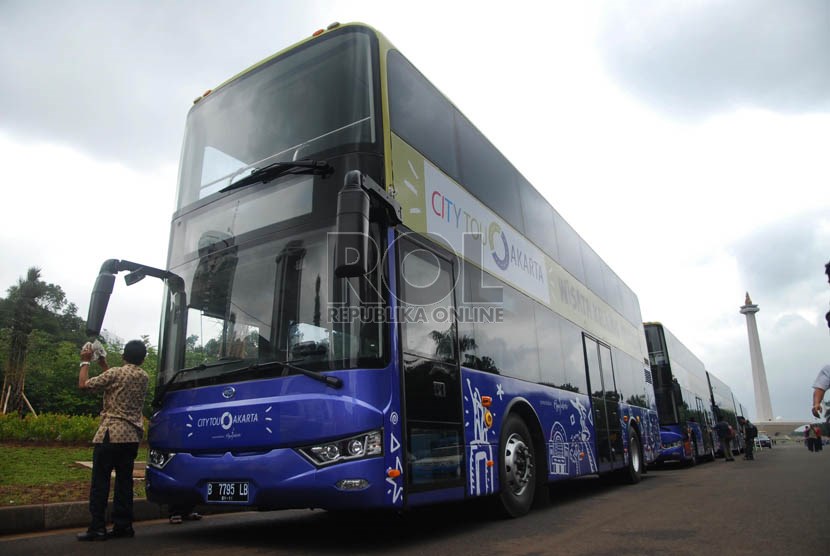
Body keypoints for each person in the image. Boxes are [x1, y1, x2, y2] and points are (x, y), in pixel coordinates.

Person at [75, 340, 149, 541]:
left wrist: (85, 362)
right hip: (131, 436)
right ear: (143, 359)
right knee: (125, 483)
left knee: (101, 483)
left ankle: (97, 527)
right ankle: (123, 526)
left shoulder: (115, 373)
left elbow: (83, 385)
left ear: (124, 356)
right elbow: (116, 381)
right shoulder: (143, 377)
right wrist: (103, 364)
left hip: (110, 435)